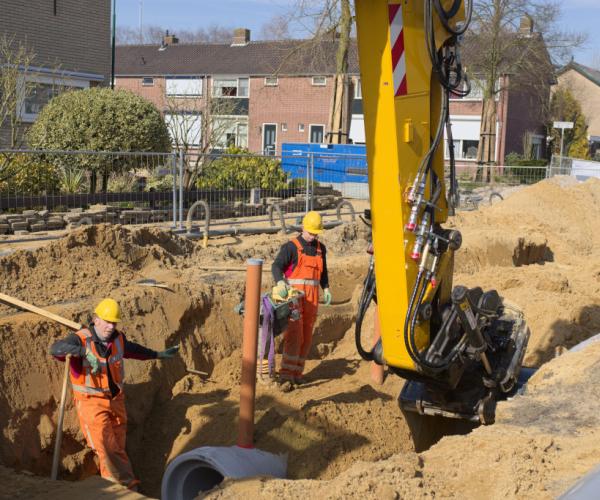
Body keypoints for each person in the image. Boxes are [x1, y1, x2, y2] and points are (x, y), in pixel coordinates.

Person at [49, 298, 179, 490]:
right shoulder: (80, 338)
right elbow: (56, 349)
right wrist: (84, 352)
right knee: (107, 446)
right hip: (91, 403)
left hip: (116, 400)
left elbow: (133, 350)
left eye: (114, 322)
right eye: (107, 321)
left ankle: (110, 485)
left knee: (115, 448)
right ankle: (129, 487)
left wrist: (157, 354)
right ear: (96, 319)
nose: (111, 326)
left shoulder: (118, 339)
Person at [271, 211, 331, 387]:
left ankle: (297, 374)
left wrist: (326, 288)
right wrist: (280, 282)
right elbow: (276, 266)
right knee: (295, 336)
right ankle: (286, 376)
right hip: (294, 299)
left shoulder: (321, 249)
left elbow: (324, 272)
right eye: (310, 232)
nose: (312, 236)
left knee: (306, 338)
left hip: (312, 299)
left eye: (315, 233)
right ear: (303, 227)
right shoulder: (291, 247)